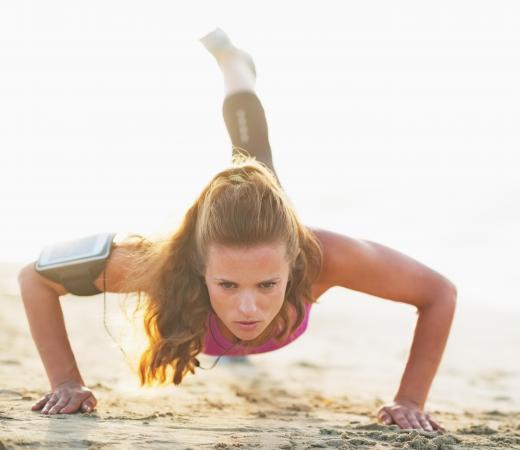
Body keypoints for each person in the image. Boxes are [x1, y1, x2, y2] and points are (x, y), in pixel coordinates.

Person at [17, 28, 456, 432]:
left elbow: (439, 294)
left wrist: (411, 399)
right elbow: (34, 278)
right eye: (226, 284)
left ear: (295, 266)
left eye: (268, 284)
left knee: (256, 160)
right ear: (198, 266)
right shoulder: (161, 261)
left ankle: (235, 66)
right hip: (211, 244)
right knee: (251, 157)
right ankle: (236, 67)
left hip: (277, 233)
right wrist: (67, 382)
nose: (248, 308)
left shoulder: (324, 257)